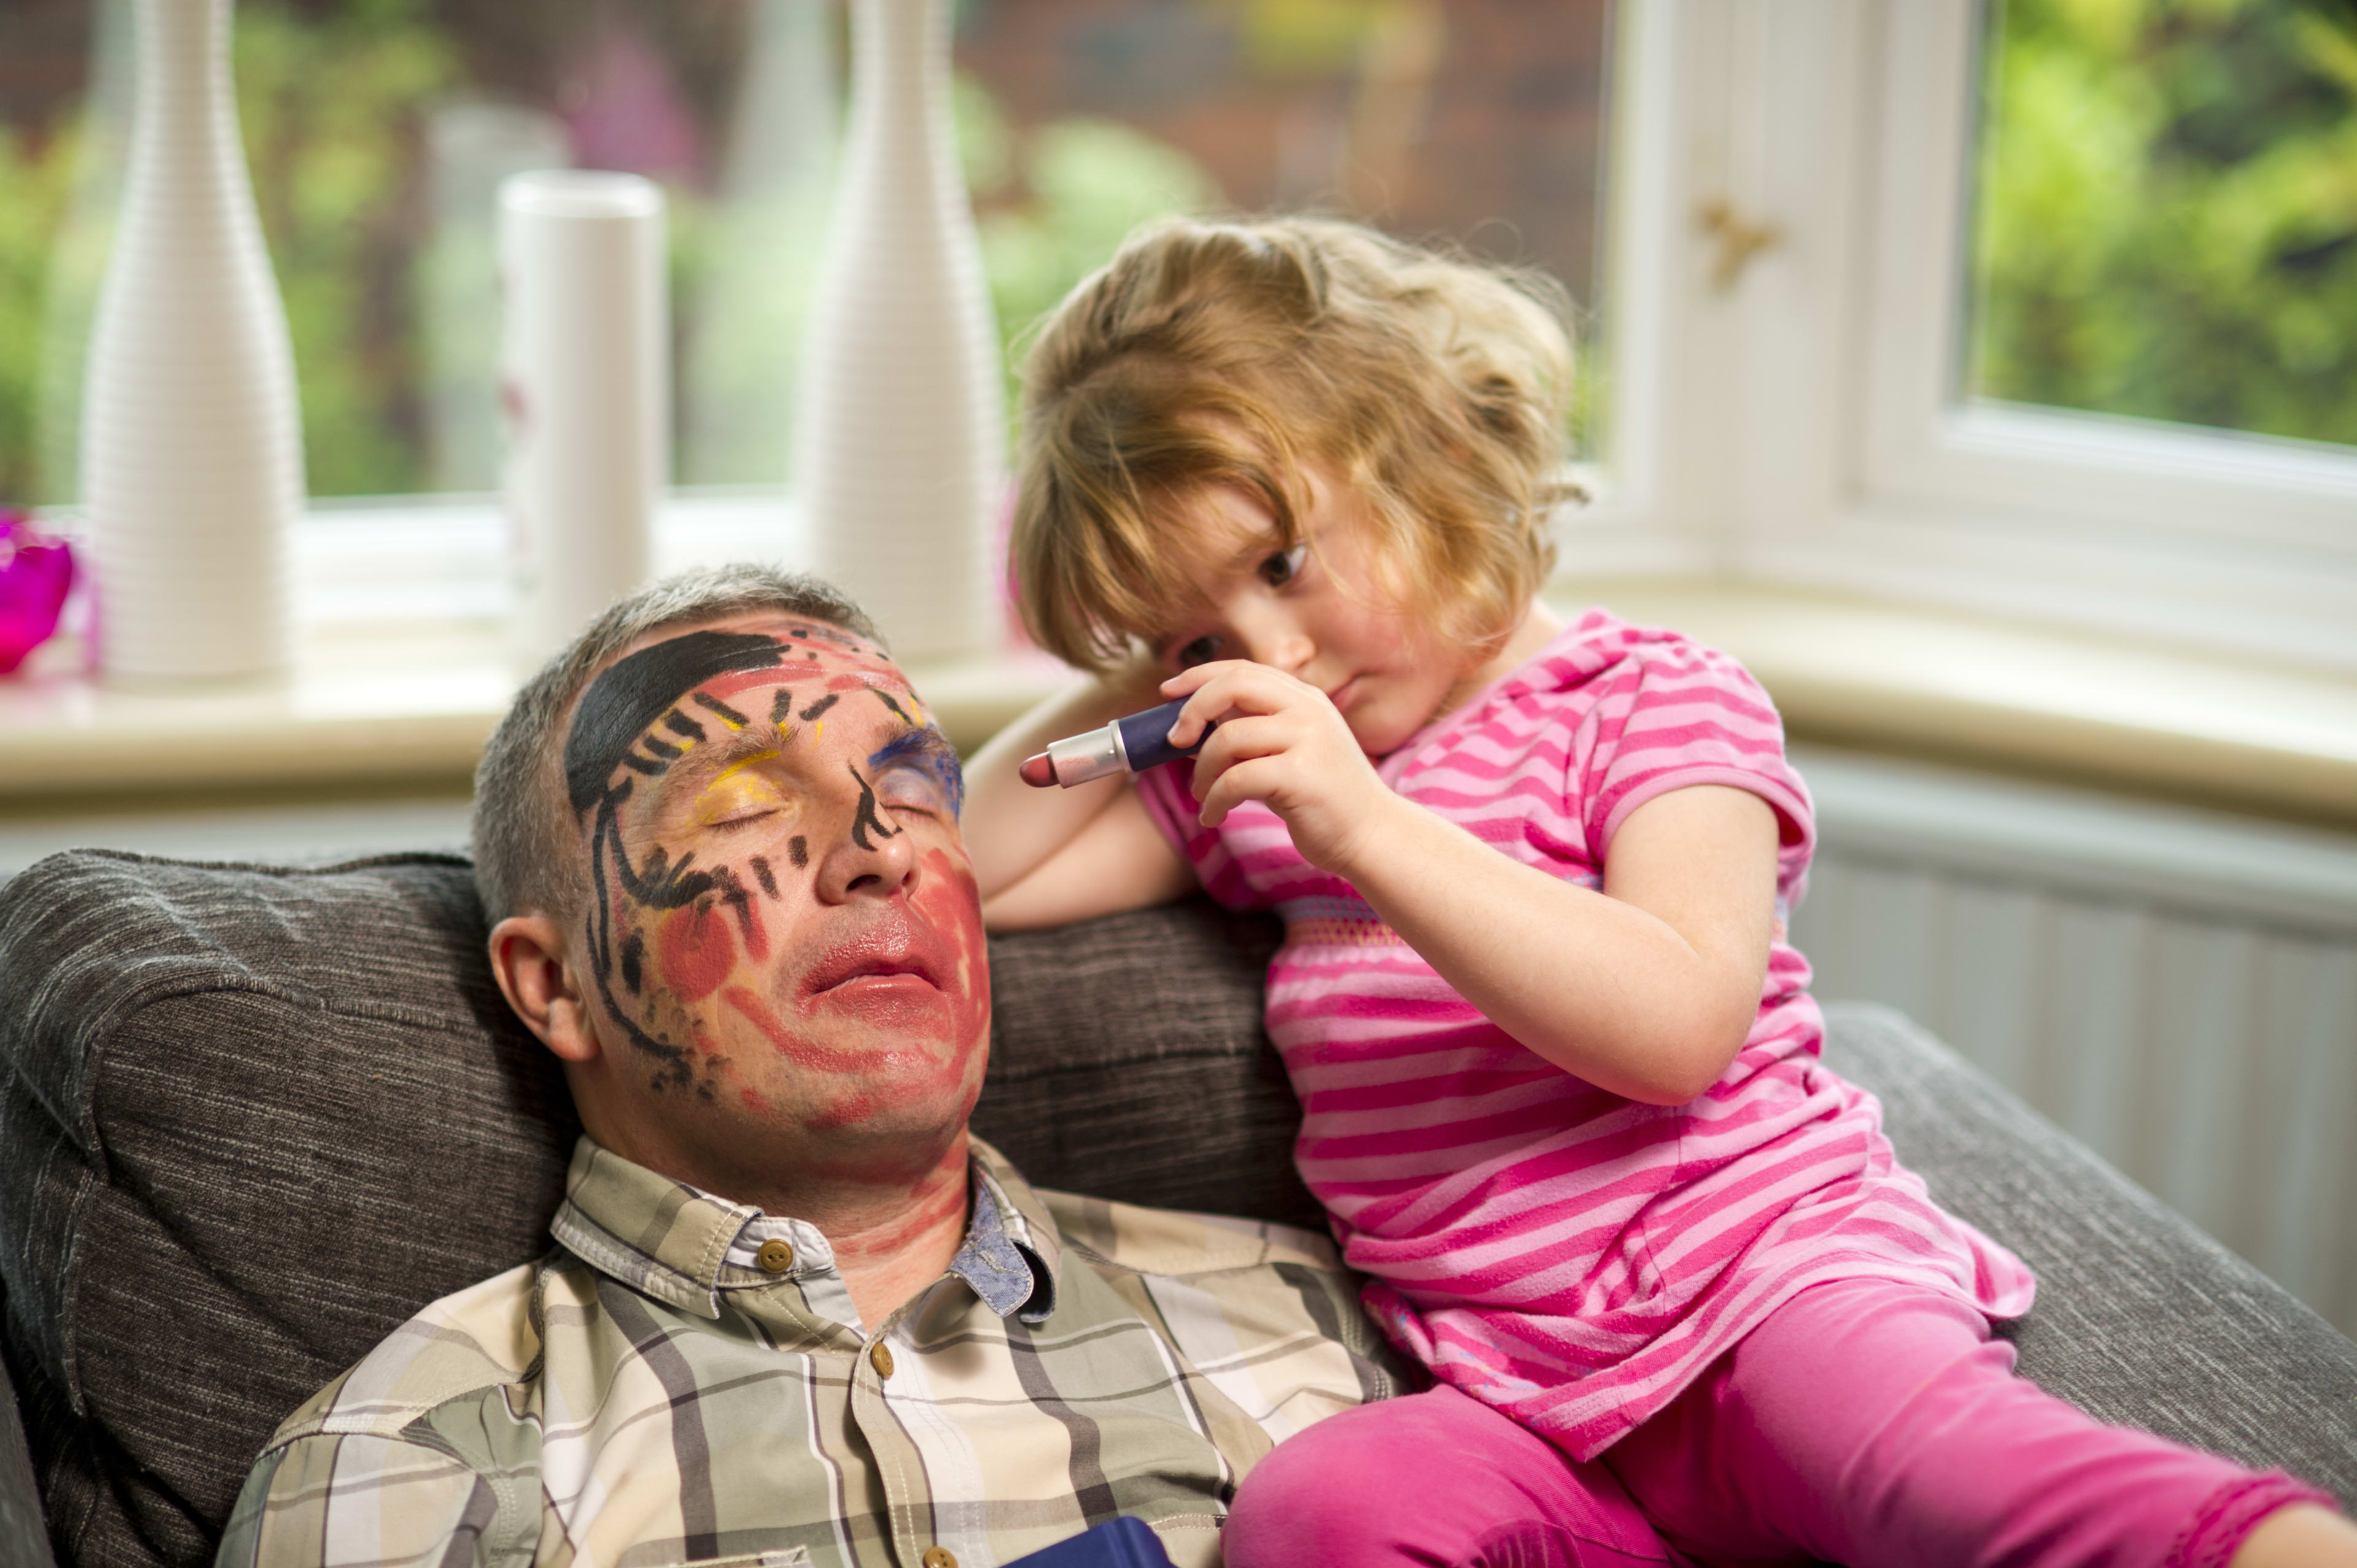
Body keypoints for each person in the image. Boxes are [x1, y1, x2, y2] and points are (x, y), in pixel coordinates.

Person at [964, 215, 2357, 1568]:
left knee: (1936, 1471)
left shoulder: (1646, 701)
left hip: (1765, 1293)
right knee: (1321, 1515)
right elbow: (976, 865)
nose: (1278, 654)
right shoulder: (1270, 783)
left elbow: (1678, 1026)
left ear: (1433, 452)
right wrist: (1155, 666)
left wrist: (1372, 829)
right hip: (1514, 1393)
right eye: (1209, 631)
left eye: (1284, 564)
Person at [214, 565, 1404, 1568]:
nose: (878, 853)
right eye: (737, 803)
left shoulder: (1329, 1333)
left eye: (909, 789)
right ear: (554, 984)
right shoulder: (408, 1463)